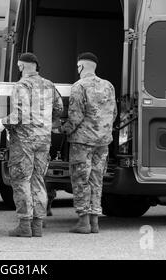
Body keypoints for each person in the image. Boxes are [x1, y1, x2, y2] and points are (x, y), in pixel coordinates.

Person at [0, 52, 63, 237]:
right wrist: (46, 122)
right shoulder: (49, 84)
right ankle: (38, 225)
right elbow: (59, 109)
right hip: (43, 139)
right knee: (38, 180)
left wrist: (2, 123)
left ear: (21, 66)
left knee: (21, 180)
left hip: (24, 141)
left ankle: (25, 224)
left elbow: (18, 115)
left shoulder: (21, 85)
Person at [62, 52, 117, 234]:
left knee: (80, 180)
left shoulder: (79, 86)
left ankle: (83, 221)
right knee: (96, 180)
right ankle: (94, 222)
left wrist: (64, 129)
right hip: (102, 142)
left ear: (81, 66)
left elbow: (75, 116)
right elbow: (114, 113)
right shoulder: (108, 86)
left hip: (82, 142)